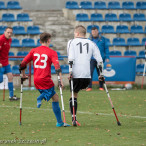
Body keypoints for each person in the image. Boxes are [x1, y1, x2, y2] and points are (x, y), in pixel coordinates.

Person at [19, 32, 70, 127]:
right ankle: (40, 98)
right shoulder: (52, 52)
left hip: (36, 80)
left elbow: (22, 64)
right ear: (49, 40)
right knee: (52, 93)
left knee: (55, 97)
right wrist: (61, 81)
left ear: (40, 41)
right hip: (45, 79)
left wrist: (23, 75)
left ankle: (59, 122)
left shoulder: (33, 51)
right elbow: (57, 67)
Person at [67, 25, 104, 126]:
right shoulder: (91, 43)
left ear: (77, 34)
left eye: (74, 33)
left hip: (76, 74)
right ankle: (74, 119)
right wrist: (101, 74)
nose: (74, 35)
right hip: (87, 77)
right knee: (77, 92)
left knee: (73, 94)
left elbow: (71, 58)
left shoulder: (71, 42)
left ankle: (73, 118)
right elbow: (99, 59)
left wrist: (70, 72)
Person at [86, 27, 110, 91]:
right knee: (90, 72)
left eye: (95, 31)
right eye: (93, 32)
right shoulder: (89, 40)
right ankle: (89, 87)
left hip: (100, 59)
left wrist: (107, 57)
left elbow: (106, 48)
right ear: (91, 32)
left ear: (97, 31)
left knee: (100, 73)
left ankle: (101, 87)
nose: (94, 33)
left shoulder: (103, 39)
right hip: (92, 59)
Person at [0, 27, 19, 100]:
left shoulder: (10, 40)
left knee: (10, 77)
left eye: (11, 33)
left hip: (6, 63)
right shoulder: (1, 39)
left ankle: (11, 96)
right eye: (8, 32)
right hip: (0, 64)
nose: (9, 34)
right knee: (0, 80)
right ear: (4, 32)